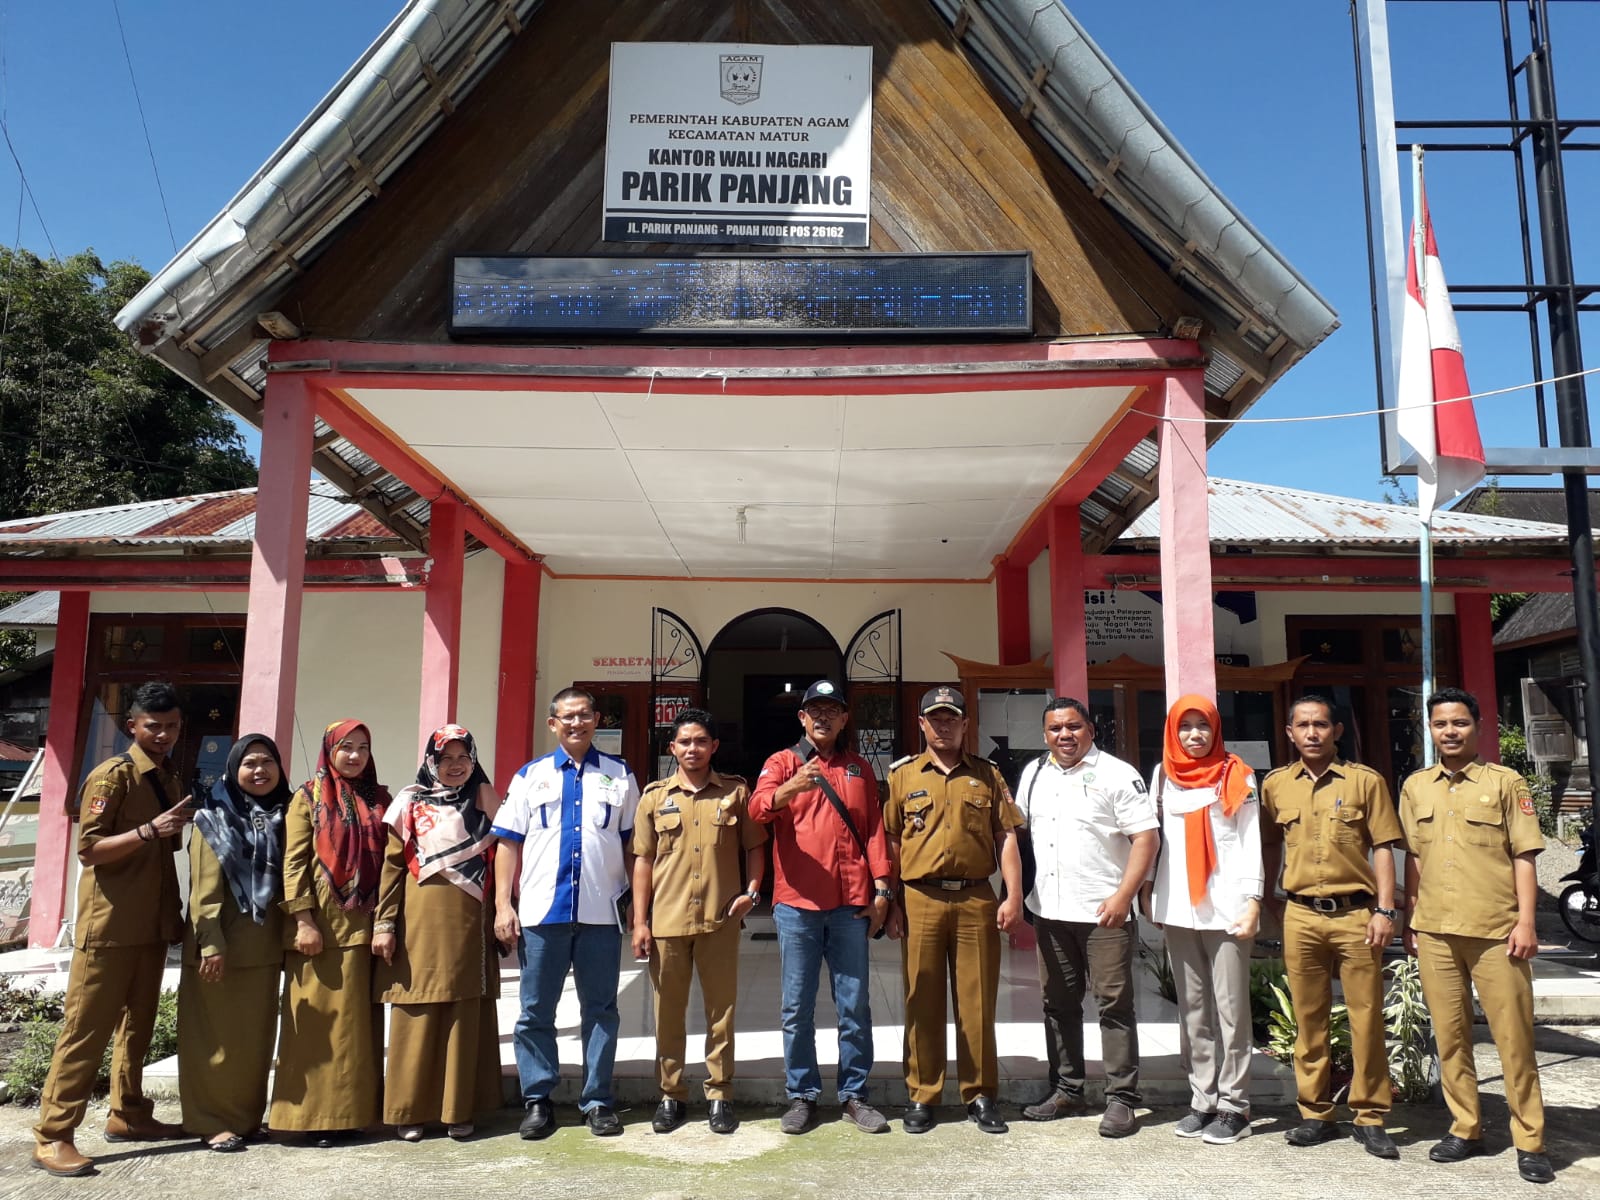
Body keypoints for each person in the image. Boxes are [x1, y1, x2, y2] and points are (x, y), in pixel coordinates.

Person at [32, 681, 193, 1177]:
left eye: (171, 726)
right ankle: (53, 1134)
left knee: (137, 1031)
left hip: (149, 927)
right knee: (85, 1033)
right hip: (109, 929)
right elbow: (89, 849)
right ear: (132, 727)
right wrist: (148, 830)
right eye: (153, 726)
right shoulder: (112, 776)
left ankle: (128, 1114)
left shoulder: (167, 776)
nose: (163, 734)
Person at [1400, 687, 1554, 1185]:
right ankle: (1466, 1128)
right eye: (1441, 723)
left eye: (1460, 723)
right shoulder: (1416, 787)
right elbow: (1415, 858)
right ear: (1430, 728)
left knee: (1514, 1041)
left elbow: (1525, 856)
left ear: (1478, 726)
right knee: (1450, 1038)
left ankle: (1530, 1140)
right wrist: (1411, 918)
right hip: (1436, 931)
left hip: (1496, 931)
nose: (1450, 731)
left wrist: (1527, 922)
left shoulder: (1506, 783)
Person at [492, 687, 640, 1139]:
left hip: (600, 914)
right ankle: (538, 1099)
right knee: (536, 1010)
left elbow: (634, 845)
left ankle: (598, 1100)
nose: (576, 723)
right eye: (567, 717)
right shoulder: (529, 776)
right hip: (542, 913)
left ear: (596, 720)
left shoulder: (620, 775)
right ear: (552, 724)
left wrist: (638, 902)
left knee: (601, 1009)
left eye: (584, 716)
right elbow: (507, 842)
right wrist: (503, 903)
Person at [1261, 695, 1403, 1159]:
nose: (1312, 733)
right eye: (1303, 725)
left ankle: (1370, 1115)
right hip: (1300, 914)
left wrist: (1385, 909)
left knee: (1366, 1019)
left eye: (1321, 724)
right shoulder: (1277, 785)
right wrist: (1266, 898)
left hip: (1356, 915)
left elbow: (1384, 846)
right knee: (1309, 1020)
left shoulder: (1365, 782)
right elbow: (1267, 843)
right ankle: (1315, 1113)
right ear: (1290, 732)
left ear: (1336, 731)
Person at [749, 679, 893, 1135]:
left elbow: (872, 829)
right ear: (803, 718)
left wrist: (883, 888)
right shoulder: (782, 761)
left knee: (854, 1004)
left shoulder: (858, 767)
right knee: (797, 1006)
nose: (824, 717)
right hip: (798, 905)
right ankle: (803, 1095)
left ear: (845, 718)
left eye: (833, 710)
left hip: (851, 904)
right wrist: (791, 787)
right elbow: (757, 809)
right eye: (816, 710)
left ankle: (854, 1095)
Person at [1014, 697, 1156, 1137]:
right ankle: (1067, 1089)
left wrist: (1124, 896)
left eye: (1073, 727)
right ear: (1044, 735)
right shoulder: (1034, 774)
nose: (1064, 735)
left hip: (1104, 914)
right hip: (1050, 912)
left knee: (1113, 1004)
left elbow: (1146, 839)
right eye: (1055, 729)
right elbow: (1018, 832)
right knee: (1058, 1004)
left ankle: (1121, 1099)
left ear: (1090, 730)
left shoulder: (1117, 773)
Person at [884, 685, 1023, 1135]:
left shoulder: (987, 775)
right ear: (921, 724)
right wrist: (891, 902)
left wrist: (1014, 894)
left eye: (952, 718)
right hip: (919, 896)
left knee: (977, 999)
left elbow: (1006, 836)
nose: (944, 726)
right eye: (935, 718)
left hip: (974, 898)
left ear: (966, 725)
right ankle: (923, 1094)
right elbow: (889, 839)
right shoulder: (902, 776)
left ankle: (980, 1093)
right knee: (920, 998)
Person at [630, 709, 767, 1135]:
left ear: (714, 747)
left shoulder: (735, 793)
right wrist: (640, 921)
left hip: (720, 919)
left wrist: (752, 891)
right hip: (667, 921)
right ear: (672, 748)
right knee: (667, 1012)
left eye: (701, 741)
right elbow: (643, 861)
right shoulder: (654, 797)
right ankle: (671, 1094)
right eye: (684, 742)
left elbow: (755, 846)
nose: (693, 749)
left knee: (720, 1012)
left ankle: (719, 1094)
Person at [1141, 693, 1263, 1146]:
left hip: (1228, 907)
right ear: (1173, 731)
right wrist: (1149, 891)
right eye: (1185, 726)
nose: (1195, 735)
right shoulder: (1162, 777)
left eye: (1203, 726)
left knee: (1231, 1009)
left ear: (1216, 729)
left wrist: (1253, 900)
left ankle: (1235, 1105)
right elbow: (1156, 841)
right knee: (1192, 1008)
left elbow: (1251, 840)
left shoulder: (1238, 775)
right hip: (1178, 908)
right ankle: (1202, 1098)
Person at [372, 724, 502, 1142]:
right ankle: (409, 1111)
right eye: (446, 758)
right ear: (431, 760)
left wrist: (504, 911)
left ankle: (457, 1110)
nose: (455, 766)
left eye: (464, 758)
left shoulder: (486, 799)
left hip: (470, 921)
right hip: (419, 920)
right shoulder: (409, 802)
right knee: (417, 1007)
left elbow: (505, 857)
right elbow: (392, 868)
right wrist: (385, 923)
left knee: (464, 1011)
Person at [269, 720, 390, 1144]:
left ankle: (353, 1114)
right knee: (318, 1031)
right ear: (330, 750)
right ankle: (310, 1119)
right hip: (319, 929)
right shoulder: (308, 797)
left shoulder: (379, 799)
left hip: (365, 928)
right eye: (346, 747)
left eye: (363, 747)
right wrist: (302, 919)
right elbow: (294, 861)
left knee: (356, 1031)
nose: (355, 755)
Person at [178, 733, 291, 1152]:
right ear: (233, 769)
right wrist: (210, 943)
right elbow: (203, 891)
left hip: (262, 948)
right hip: (221, 945)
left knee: (254, 1040)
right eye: (250, 763)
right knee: (212, 1039)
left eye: (267, 762)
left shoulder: (285, 814)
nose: (259, 771)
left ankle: (244, 1118)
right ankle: (209, 1121)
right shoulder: (214, 819)